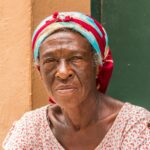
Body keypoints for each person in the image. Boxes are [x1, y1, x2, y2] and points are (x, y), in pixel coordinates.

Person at [3, 12, 150, 149]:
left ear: (97, 66)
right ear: (40, 71)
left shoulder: (134, 126)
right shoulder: (30, 129)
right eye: (50, 61)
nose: (63, 72)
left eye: (76, 59)